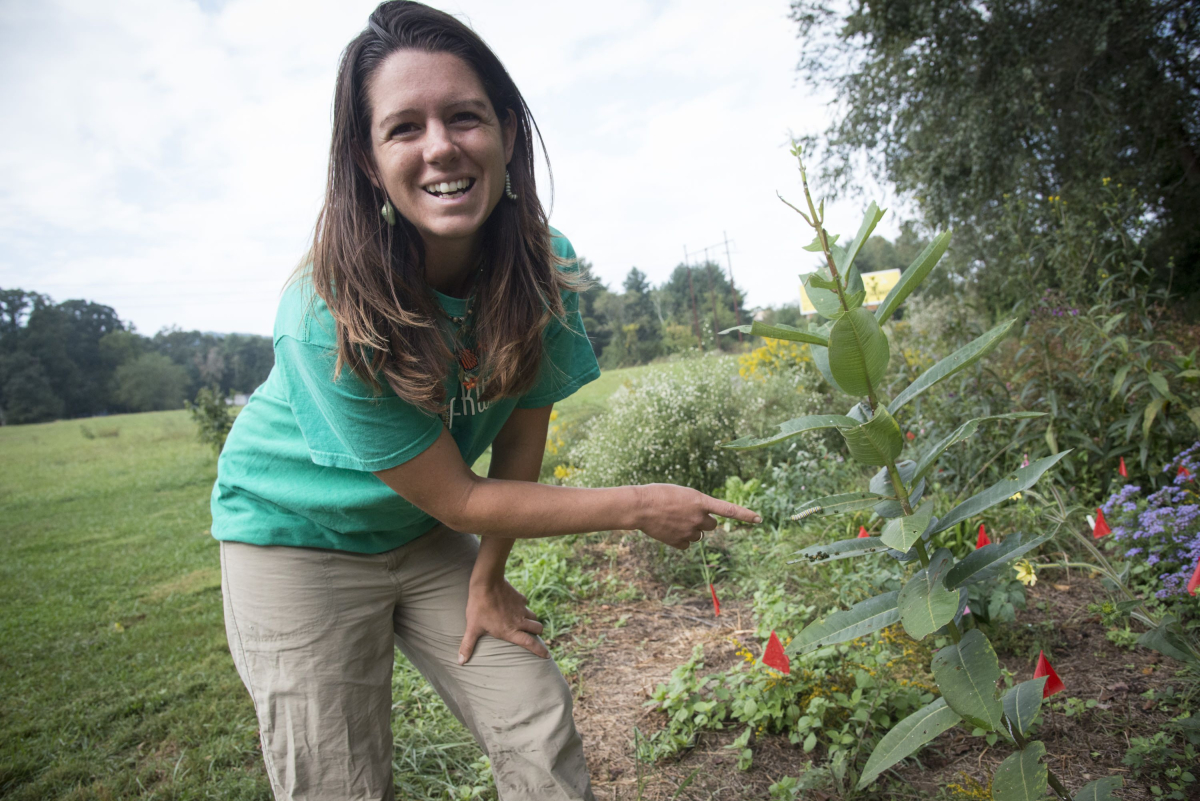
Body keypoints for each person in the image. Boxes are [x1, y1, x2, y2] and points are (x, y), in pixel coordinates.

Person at [210, 2, 760, 799]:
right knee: (340, 780)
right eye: (404, 128)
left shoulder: (542, 264)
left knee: (534, 715)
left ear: (504, 129)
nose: (440, 146)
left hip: (425, 530)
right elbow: (464, 495)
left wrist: (488, 575)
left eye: (463, 116)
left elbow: (520, 424)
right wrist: (640, 503)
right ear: (368, 160)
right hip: (296, 539)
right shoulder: (325, 313)